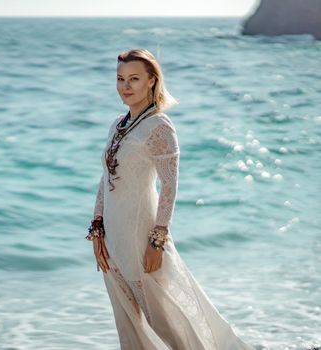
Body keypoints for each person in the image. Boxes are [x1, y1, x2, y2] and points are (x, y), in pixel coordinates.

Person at [86, 48, 254, 350]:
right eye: (120, 78)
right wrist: (97, 228)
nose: (125, 86)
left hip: (141, 239)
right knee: (128, 327)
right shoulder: (118, 124)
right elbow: (106, 178)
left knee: (167, 324)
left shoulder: (160, 127)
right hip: (111, 240)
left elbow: (170, 186)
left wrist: (157, 240)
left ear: (152, 81)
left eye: (134, 79)